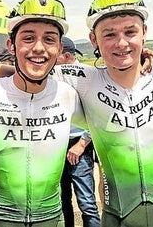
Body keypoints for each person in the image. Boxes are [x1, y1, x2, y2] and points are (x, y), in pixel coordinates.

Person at [47, 0, 153, 227]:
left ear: (144, 32)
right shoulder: (85, 80)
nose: (121, 43)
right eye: (109, 35)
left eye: (130, 32)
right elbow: (24, 71)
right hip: (117, 217)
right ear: (94, 40)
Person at [0, 0, 84, 226]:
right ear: (11, 45)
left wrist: (142, 64)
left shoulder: (67, 94)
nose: (38, 48)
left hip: (52, 220)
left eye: (49, 39)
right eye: (28, 38)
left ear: (59, 48)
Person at [57, 37, 101, 227]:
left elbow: (100, 115)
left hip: (79, 145)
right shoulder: (54, 76)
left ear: (66, 56)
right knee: (62, 201)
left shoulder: (87, 77)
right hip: (58, 145)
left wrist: (82, 144)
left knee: (86, 203)